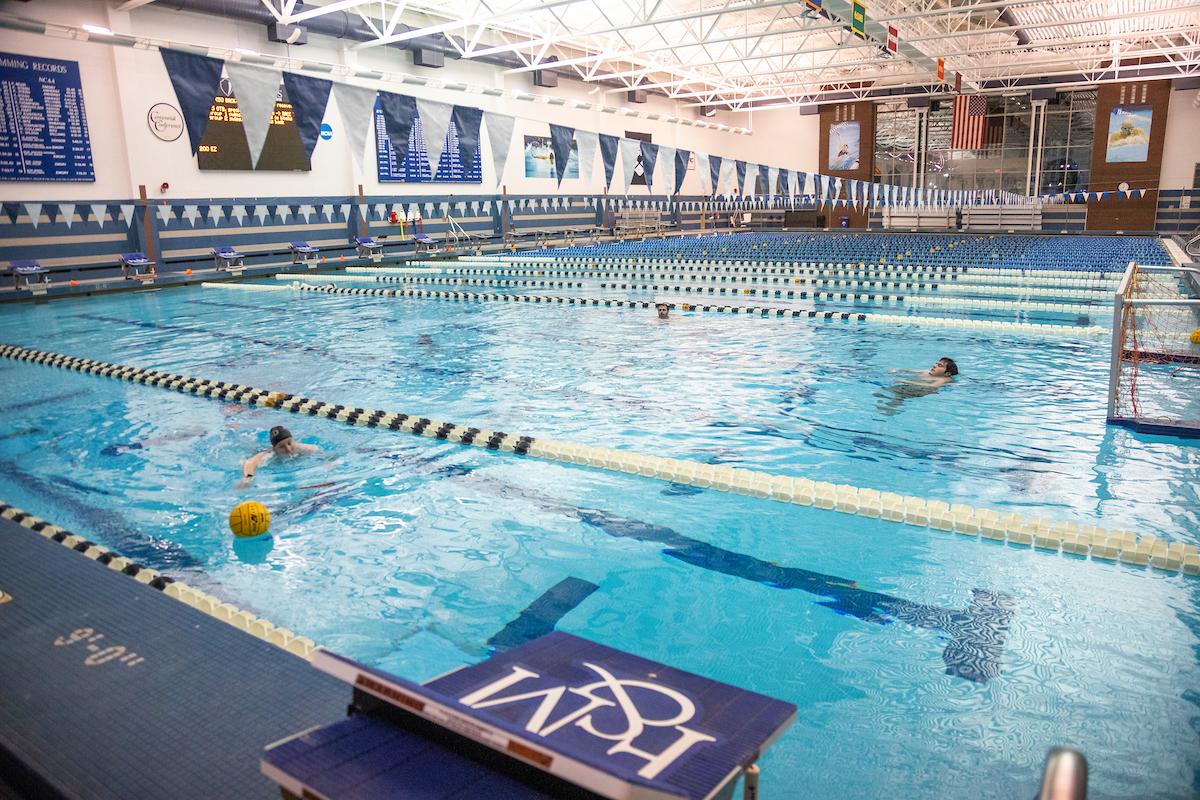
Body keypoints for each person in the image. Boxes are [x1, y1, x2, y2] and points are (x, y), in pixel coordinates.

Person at [238, 425, 319, 487]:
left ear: (293, 440)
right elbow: (250, 462)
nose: (288, 449)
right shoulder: (269, 454)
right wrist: (248, 478)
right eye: (281, 447)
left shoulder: (304, 448)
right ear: (274, 448)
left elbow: (322, 453)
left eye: (289, 443)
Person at [876, 357, 959, 416]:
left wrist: (906, 381)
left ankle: (891, 410)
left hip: (924, 390)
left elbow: (931, 386)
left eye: (939, 366)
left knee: (900, 395)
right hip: (911, 385)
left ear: (947, 373)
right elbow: (910, 370)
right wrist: (897, 370)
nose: (934, 365)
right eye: (936, 363)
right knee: (883, 390)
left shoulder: (944, 379)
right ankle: (885, 408)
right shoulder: (927, 372)